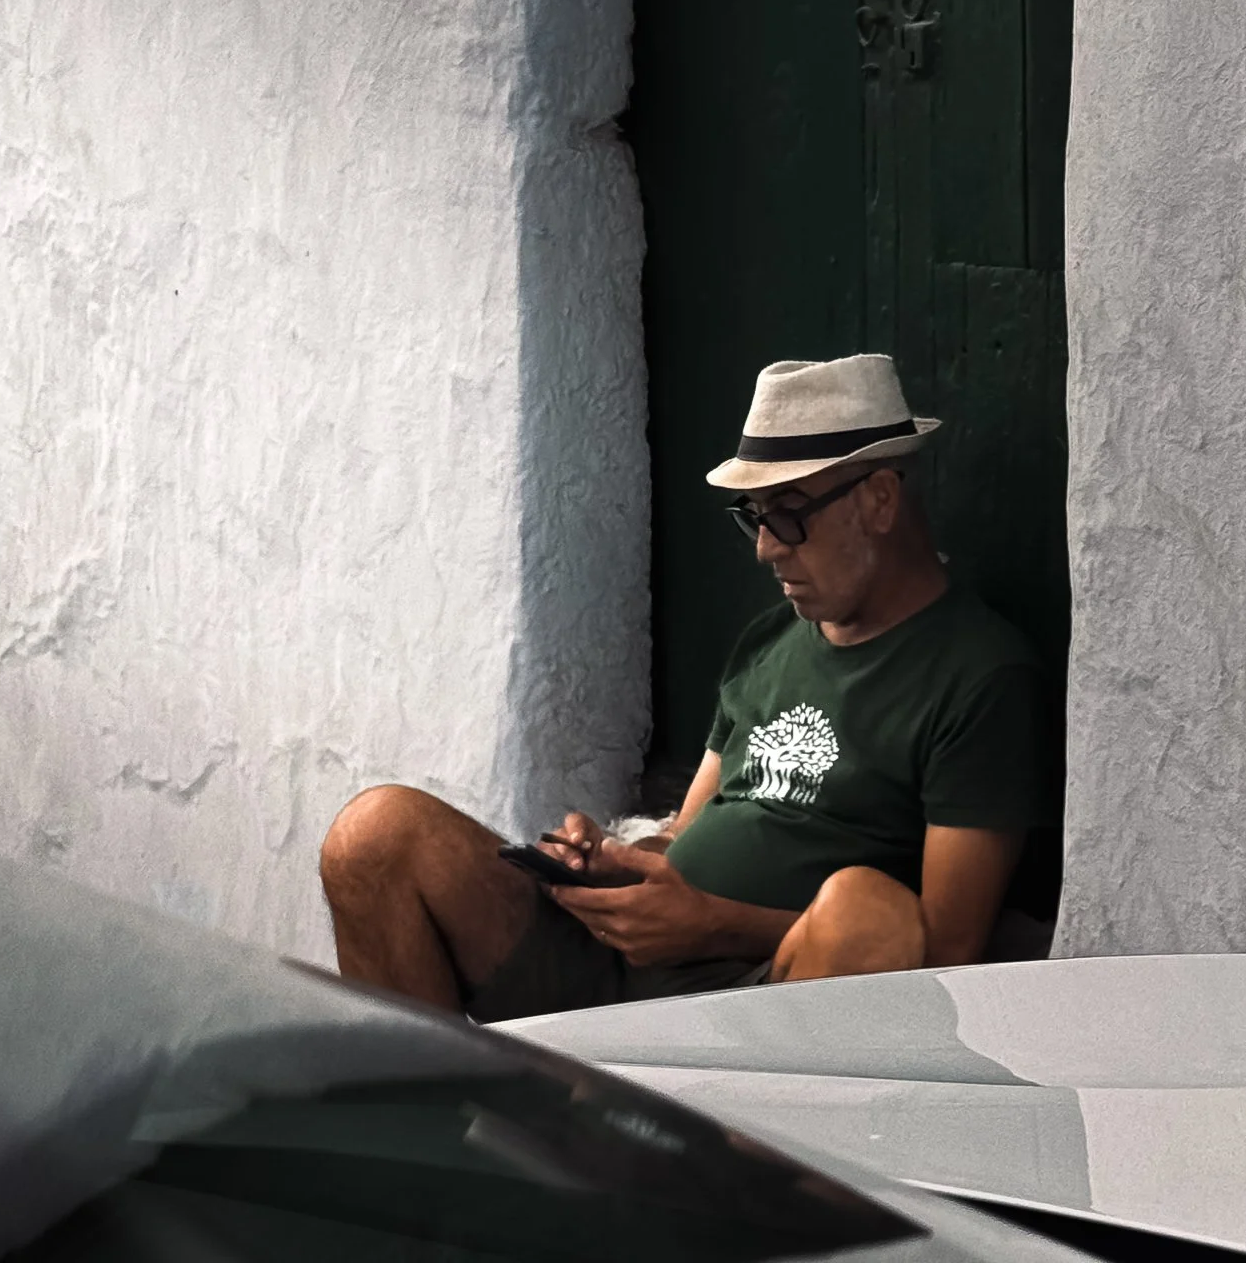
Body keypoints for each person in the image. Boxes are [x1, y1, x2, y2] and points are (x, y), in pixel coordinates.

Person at [320, 353, 1056, 1020]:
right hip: (623, 965)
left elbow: (947, 953)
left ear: (881, 501)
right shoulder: (770, 641)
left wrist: (713, 922)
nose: (767, 548)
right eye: (755, 519)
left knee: (867, 911)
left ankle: (720, 1155)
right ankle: (429, 1154)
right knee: (376, 834)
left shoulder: (978, 674)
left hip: (759, 999)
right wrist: (613, 863)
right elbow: (683, 839)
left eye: (790, 515)